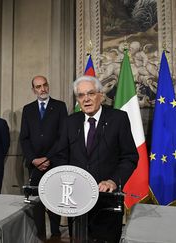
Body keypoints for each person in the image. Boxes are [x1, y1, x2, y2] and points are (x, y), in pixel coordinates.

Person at [54, 75, 138, 242]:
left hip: (107, 200)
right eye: (81, 95)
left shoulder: (118, 119)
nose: (86, 99)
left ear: (101, 95)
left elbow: (130, 157)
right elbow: (60, 156)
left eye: (90, 93)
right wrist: (67, 180)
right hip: (76, 198)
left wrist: (113, 181)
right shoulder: (70, 122)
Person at [19, 75, 67, 239]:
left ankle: (55, 232)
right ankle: (39, 233)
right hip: (34, 164)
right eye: (38, 87)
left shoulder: (60, 106)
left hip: (54, 162)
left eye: (45, 85)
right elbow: (24, 138)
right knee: (36, 200)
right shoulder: (28, 109)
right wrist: (33, 159)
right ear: (34, 90)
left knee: (54, 198)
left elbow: (63, 136)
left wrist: (48, 159)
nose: (42, 89)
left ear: (48, 86)